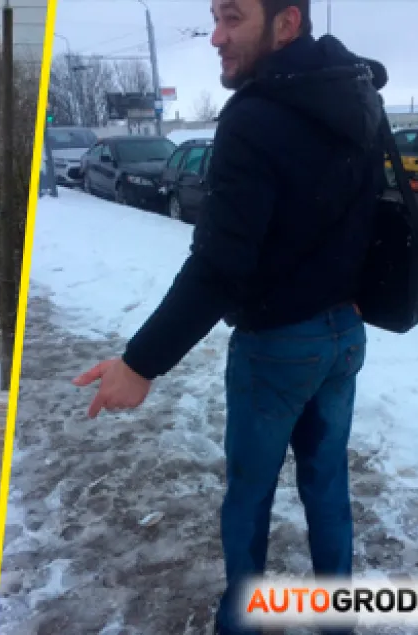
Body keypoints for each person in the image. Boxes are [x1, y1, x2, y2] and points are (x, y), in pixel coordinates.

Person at [71, 0, 388, 633]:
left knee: (249, 495)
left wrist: (140, 363)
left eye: (234, 18)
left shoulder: (255, 118)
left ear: (287, 22)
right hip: (343, 337)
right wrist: (358, 291)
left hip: (277, 347)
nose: (216, 37)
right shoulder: (355, 91)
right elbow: (371, 210)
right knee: (327, 487)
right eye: (215, 18)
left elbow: (220, 265)